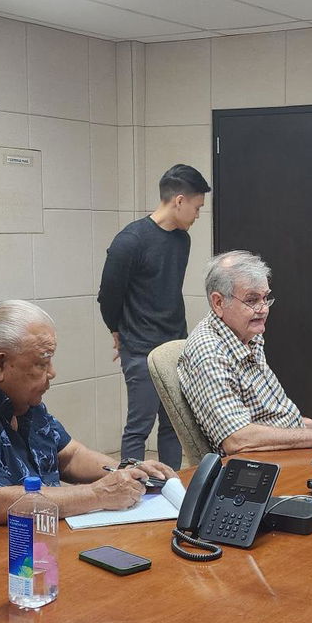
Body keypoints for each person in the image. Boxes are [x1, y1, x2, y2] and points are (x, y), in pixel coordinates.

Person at [0, 300, 175, 533]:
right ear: (0, 363)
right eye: (42, 362)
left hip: (33, 539)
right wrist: (99, 495)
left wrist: (126, 472)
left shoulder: (19, 398)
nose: (52, 372)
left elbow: (70, 455)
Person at [176, 250, 312, 455]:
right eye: (251, 300)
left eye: (266, 298)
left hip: (282, 449)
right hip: (258, 464)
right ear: (218, 302)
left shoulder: (245, 334)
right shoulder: (210, 353)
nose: (263, 309)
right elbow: (236, 439)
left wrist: (304, 426)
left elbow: (265, 414)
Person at [98, 163, 210, 469]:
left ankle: (170, 488)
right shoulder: (130, 241)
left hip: (175, 345)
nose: (198, 216)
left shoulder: (181, 240)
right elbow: (108, 295)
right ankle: (133, 492)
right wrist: (116, 330)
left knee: (174, 426)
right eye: (197, 208)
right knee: (138, 427)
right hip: (140, 349)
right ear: (178, 201)